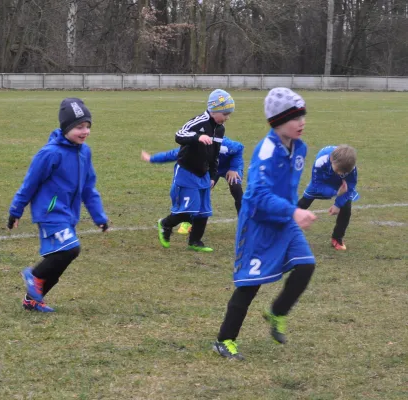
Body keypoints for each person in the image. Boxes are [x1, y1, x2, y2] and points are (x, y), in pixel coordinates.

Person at [213, 88, 317, 360]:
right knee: (249, 285)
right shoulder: (266, 151)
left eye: (303, 116)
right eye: (296, 117)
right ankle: (224, 340)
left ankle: (277, 312)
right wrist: (293, 212)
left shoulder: (299, 147)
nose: (302, 122)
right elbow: (258, 195)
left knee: (306, 265)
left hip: (284, 219)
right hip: (259, 223)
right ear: (277, 122)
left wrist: (290, 212)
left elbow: (288, 186)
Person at [8, 98, 109, 313]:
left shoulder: (85, 152)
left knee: (62, 259)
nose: (85, 131)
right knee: (70, 249)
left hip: (68, 214)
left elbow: (89, 188)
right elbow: (30, 183)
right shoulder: (50, 153)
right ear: (65, 128)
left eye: (88, 126)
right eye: (79, 127)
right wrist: (16, 210)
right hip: (50, 212)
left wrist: (99, 216)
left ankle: (33, 300)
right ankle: (33, 276)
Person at [156, 89, 234, 252]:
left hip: (203, 173)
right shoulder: (199, 122)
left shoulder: (220, 129)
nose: (227, 117)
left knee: (203, 211)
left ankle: (195, 241)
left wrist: (213, 175)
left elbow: (215, 153)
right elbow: (179, 135)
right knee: (189, 210)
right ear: (214, 110)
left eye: (229, 114)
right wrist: (197, 137)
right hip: (187, 170)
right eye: (225, 113)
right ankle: (165, 224)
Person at [141, 136, 244, 234]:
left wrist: (234, 168)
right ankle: (188, 221)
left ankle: (244, 223)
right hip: (210, 170)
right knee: (199, 192)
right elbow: (172, 154)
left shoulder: (226, 144)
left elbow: (239, 148)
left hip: (229, 168)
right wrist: (152, 158)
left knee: (236, 189)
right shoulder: (193, 148)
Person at [297, 145, 358, 251]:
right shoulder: (321, 161)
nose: (341, 173)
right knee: (303, 203)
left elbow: (350, 186)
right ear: (331, 160)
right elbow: (317, 185)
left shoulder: (350, 167)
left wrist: (338, 204)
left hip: (341, 185)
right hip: (321, 181)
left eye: (344, 172)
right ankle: (282, 227)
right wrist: (335, 192)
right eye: (339, 170)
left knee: (346, 209)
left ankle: (337, 238)